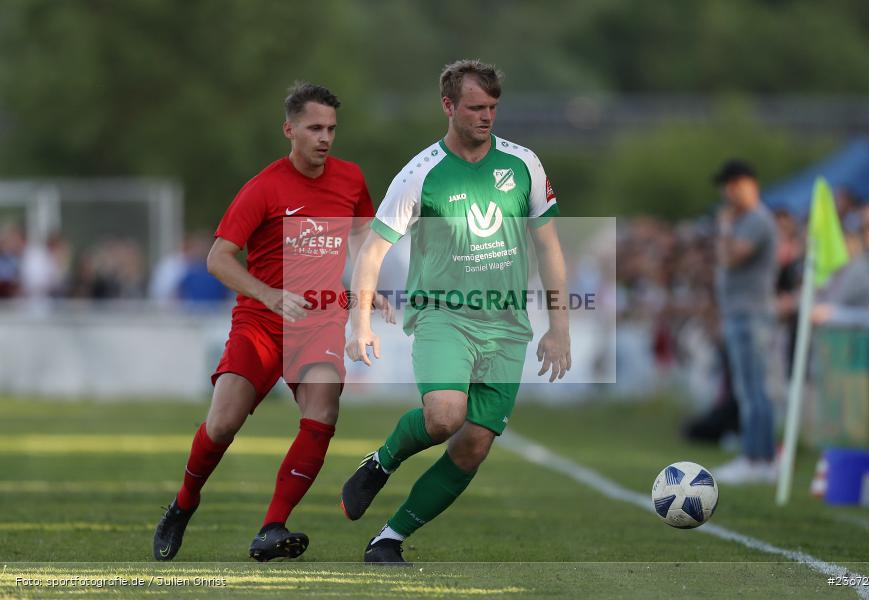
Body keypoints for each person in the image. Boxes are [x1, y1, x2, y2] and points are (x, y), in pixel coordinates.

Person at [340, 59, 571, 563]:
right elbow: (373, 252)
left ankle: (389, 539)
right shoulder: (420, 174)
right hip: (443, 316)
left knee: (472, 447)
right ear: (448, 106)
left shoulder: (523, 165)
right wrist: (358, 322)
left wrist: (559, 328)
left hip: (507, 326)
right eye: (475, 107)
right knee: (445, 417)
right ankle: (381, 462)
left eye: (492, 107)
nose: (486, 117)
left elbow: (550, 247)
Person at [153, 82, 391, 562]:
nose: (325, 138)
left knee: (323, 412)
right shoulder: (264, 187)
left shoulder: (350, 179)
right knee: (222, 425)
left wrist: (369, 290)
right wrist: (268, 294)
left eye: (331, 129)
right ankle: (182, 505)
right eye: (314, 128)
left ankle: (272, 527)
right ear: (290, 130)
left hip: (321, 319)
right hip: (261, 322)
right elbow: (218, 259)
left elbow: (364, 235)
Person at [711, 159, 779, 485]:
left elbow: (731, 257)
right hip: (741, 313)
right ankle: (758, 457)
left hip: (752, 314)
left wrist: (724, 227)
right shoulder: (746, 220)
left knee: (753, 391)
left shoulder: (755, 221)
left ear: (749, 184)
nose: (728, 192)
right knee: (749, 389)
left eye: (733, 184)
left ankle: (758, 458)